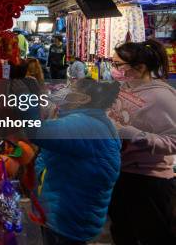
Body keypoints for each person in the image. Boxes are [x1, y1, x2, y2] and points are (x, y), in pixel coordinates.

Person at [27, 79, 122, 245]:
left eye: (71, 88)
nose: (64, 90)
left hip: (68, 216)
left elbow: (35, 131)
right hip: (70, 211)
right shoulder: (92, 121)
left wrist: (25, 98)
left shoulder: (85, 124)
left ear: (83, 99)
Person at [108, 39, 176, 244]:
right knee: (122, 233)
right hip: (121, 175)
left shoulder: (162, 97)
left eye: (118, 65)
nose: (114, 70)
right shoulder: (123, 88)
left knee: (152, 236)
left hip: (149, 182)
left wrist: (135, 135)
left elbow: (173, 141)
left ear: (140, 67)